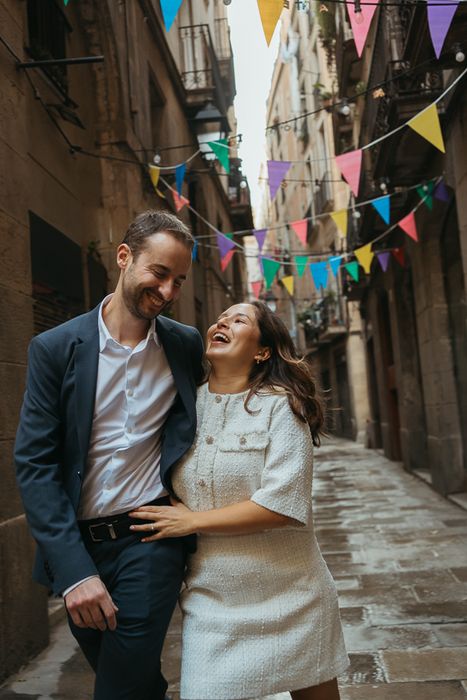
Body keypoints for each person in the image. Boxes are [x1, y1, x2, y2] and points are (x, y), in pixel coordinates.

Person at [15, 210, 203, 700]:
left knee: (118, 688)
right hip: (78, 548)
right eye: (159, 273)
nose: (167, 292)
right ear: (124, 258)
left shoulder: (184, 345)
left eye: (178, 281)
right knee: (134, 680)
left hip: (149, 538)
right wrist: (75, 571)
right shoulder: (55, 348)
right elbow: (34, 464)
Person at [129, 301, 349, 700]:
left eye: (239, 320)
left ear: (262, 350)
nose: (222, 322)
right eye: (221, 318)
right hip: (212, 602)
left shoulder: (282, 407)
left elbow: (283, 504)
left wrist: (193, 521)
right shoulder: (182, 408)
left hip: (294, 595)